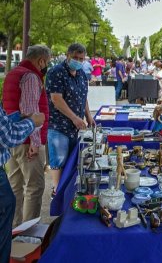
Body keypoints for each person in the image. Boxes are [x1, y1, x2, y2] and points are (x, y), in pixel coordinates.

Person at [2, 44, 51, 228]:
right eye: (47, 62)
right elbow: (31, 112)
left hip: (10, 140)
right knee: (34, 188)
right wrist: (35, 142)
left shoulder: (13, 73)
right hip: (26, 141)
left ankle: (13, 231)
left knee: (15, 187)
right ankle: (28, 232)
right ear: (41, 60)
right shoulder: (30, 76)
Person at [45, 43, 95, 197]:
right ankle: (57, 192)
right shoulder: (56, 72)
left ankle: (67, 194)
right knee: (58, 162)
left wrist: (88, 116)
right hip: (59, 126)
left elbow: (83, 97)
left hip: (75, 127)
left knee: (72, 162)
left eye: (81, 58)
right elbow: (56, 99)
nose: (78, 61)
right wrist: (74, 118)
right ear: (67, 55)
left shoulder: (81, 74)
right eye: (75, 58)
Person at [0, 108, 45, 263]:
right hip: (23, 145)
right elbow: (8, 136)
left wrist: (18, 116)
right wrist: (33, 122)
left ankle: (16, 240)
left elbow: (2, 125)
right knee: (33, 187)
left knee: (16, 190)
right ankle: (25, 237)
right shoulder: (30, 82)